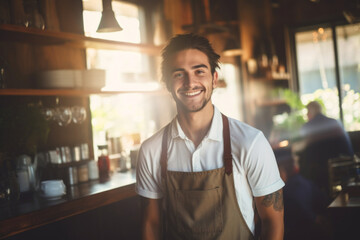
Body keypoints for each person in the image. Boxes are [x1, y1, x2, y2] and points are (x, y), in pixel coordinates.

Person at [135, 33, 284, 240]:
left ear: (214, 79)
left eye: (199, 71)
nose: (190, 82)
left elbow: (273, 222)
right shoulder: (151, 150)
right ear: (167, 83)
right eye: (179, 74)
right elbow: (151, 224)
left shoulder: (250, 142)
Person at [298, 101, 354, 200]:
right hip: (343, 166)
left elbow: (305, 149)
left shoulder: (308, 126)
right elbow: (346, 148)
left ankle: (317, 204)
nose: (306, 115)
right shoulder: (335, 122)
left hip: (322, 170)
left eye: (307, 111)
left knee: (303, 165)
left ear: (312, 111)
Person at [274, 147, 330, 240]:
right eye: (292, 159)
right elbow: (298, 206)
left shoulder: (297, 183)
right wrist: (315, 218)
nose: (296, 159)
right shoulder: (293, 186)